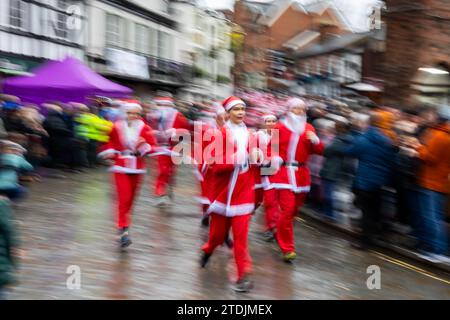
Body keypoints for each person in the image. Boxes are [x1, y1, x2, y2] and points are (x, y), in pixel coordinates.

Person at [200, 96, 258, 292]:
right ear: (228, 113)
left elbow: (260, 161)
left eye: (243, 109)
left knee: (241, 239)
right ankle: (208, 249)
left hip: (244, 194)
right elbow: (213, 165)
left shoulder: (251, 135)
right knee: (216, 236)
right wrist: (235, 158)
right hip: (223, 195)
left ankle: (243, 277)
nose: (241, 112)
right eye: (236, 109)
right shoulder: (219, 134)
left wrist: (261, 159)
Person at [264, 98, 324, 262]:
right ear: (289, 110)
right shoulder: (279, 127)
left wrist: (316, 141)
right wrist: (274, 158)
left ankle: (280, 230)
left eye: (303, 109)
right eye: (296, 108)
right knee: (288, 210)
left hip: (302, 174)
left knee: (294, 212)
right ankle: (287, 248)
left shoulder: (309, 128)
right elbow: (269, 149)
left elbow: (319, 151)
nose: (300, 111)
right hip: (283, 173)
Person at [98, 103, 157, 248]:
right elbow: (106, 141)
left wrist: (144, 147)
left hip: (137, 166)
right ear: (125, 112)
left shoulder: (145, 128)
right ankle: (123, 229)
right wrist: (110, 151)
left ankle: (124, 227)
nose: (134, 116)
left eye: (137, 113)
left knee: (131, 199)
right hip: (120, 164)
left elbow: (152, 145)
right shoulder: (116, 126)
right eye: (131, 113)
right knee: (123, 197)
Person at [343, 110, 398, 250]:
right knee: (375, 211)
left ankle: (365, 242)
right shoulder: (387, 141)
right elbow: (393, 160)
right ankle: (375, 237)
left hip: (364, 181)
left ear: (368, 123)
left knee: (366, 213)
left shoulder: (363, 139)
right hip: (380, 182)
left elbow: (349, 152)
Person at [411, 106, 450, 262]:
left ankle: (438, 250)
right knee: (437, 217)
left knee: (432, 217)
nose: (431, 116)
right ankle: (436, 249)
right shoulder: (444, 134)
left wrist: (417, 147)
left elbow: (430, 157)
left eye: (433, 114)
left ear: (439, 117)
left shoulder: (440, 136)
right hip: (439, 182)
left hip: (431, 181)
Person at [147, 93, 192, 207]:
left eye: (165, 104)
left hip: (173, 148)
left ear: (170, 105)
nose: (162, 107)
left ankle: (168, 189)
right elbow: (146, 130)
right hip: (159, 148)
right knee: (162, 171)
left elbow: (186, 129)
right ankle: (160, 194)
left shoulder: (177, 115)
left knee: (171, 172)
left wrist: (176, 133)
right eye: (160, 104)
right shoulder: (152, 116)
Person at [320, 117, 353, 221]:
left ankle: (330, 215)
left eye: (335, 127)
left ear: (339, 128)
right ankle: (329, 214)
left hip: (332, 169)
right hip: (340, 169)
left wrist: (325, 147)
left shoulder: (339, 140)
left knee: (328, 193)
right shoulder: (347, 139)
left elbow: (326, 151)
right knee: (331, 192)